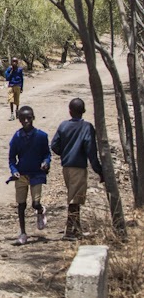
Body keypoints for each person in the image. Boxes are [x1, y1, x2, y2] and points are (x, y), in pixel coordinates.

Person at [51, 98, 104, 241]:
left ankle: (77, 229)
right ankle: (69, 231)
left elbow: (54, 145)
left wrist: (66, 153)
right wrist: (99, 170)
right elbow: (91, 151)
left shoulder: (63, 126)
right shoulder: (87, 127)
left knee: (74, 197)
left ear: (70, 111)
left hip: (66, 167)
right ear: (83, 111)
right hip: (78, 167)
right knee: (74, 200)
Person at [8, 105, 50, 246]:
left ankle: (40, 210)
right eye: (22, 118)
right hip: (21, 175)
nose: (26, 121)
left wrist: (46, 162)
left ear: (33, 118)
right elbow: (12, 158)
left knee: (35, 202)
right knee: (21, 204)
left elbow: (47, 154)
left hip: (36, 174)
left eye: (29, 118)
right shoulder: (17, 137)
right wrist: (14, 170)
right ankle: (23, 233)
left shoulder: (41, 136)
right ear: (19, 119)